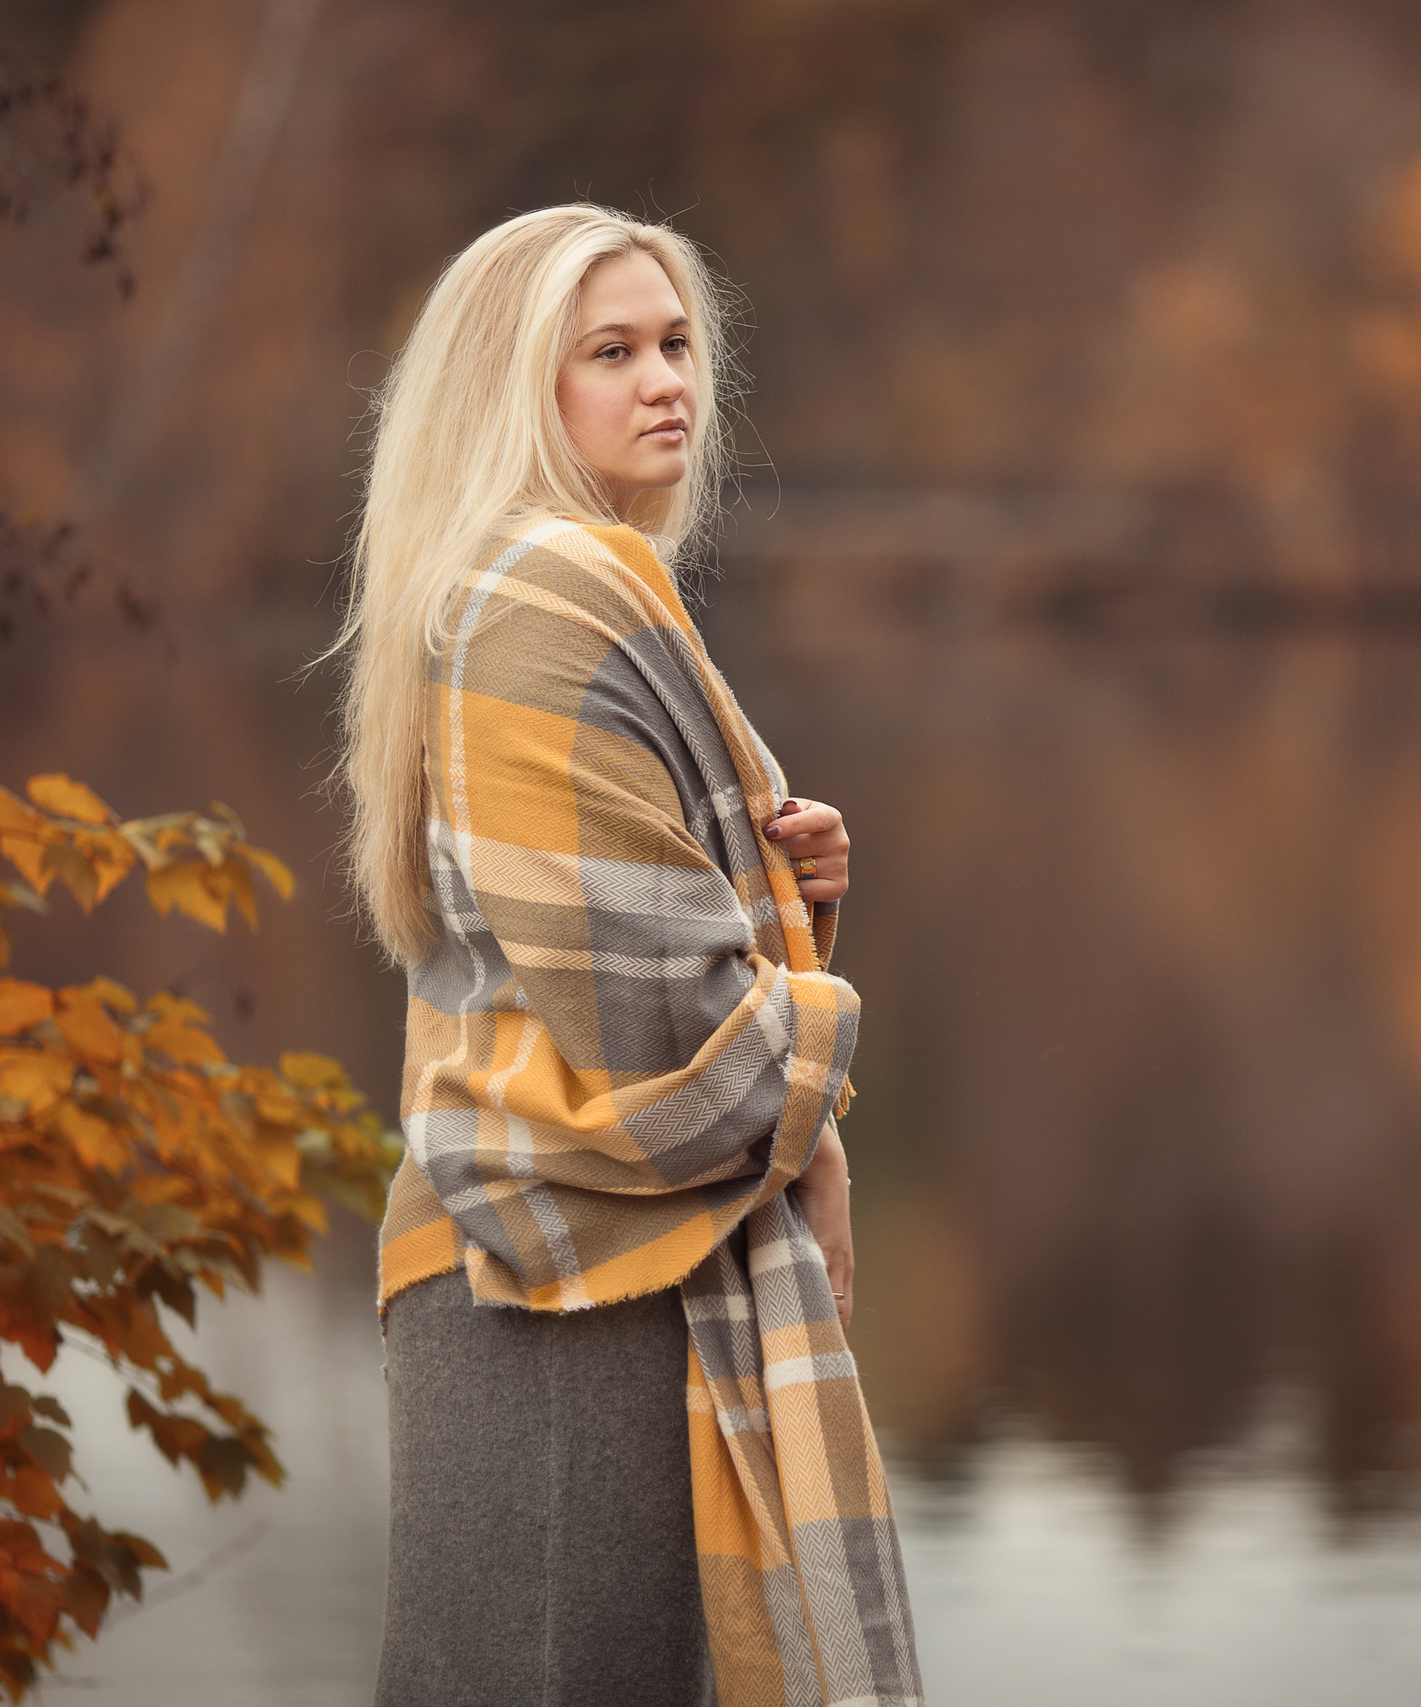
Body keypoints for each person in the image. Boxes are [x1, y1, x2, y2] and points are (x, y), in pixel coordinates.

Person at [331, 204, 922, 1707]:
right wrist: (820, 1099)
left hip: (555, 1258)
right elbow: (672, 1038)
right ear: (513, 392)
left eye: (675, 346)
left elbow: (596, 953)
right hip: (561, 1286)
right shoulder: (549, 605)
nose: (668, 382)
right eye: (612, 352)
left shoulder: (522, 590)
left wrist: (785, 897)